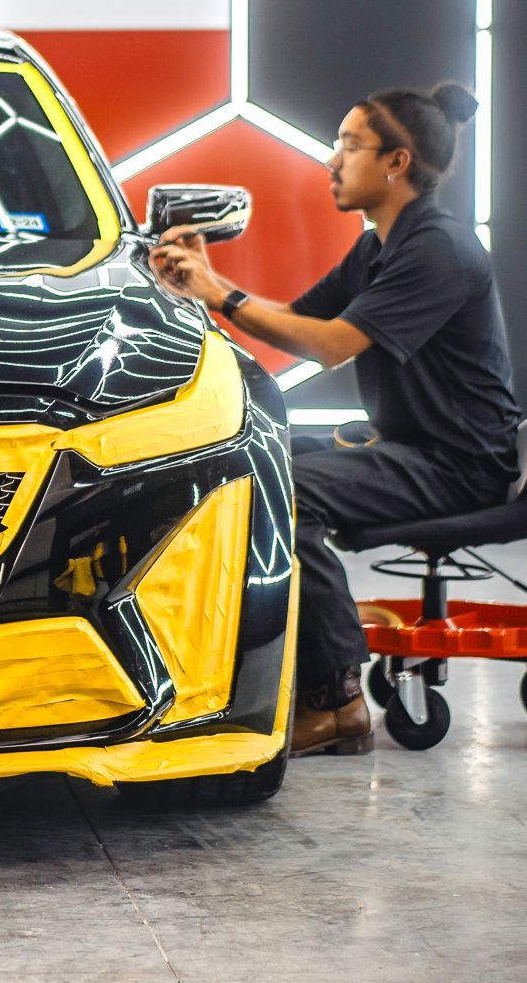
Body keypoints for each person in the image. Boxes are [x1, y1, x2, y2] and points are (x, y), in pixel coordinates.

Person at [151, 83, 519, 758]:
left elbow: (329, 345)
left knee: (281, 491)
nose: (332, 159)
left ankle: (336, 698)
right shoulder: (381, 247)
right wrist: (197, 283)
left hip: (460, 464)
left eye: (350, 145)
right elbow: (298, 319)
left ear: (396, 163)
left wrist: (216, 291)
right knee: (244, 460)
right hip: (409, 446)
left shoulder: (438, 249)